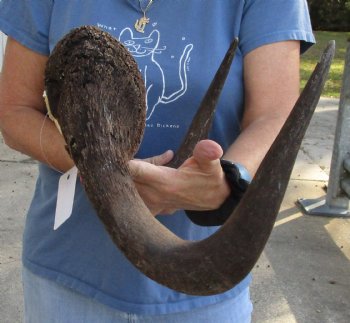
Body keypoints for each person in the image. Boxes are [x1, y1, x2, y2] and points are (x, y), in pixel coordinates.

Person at [0, 0, 315, 322]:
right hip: (66, 273)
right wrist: (103, 169)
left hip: (201, 287)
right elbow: (15, 111)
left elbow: (274, 113)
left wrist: (227, 178)